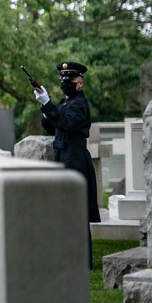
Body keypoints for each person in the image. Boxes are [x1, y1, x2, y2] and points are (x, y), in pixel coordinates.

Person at [34, 61, 101, 267]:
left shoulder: (79, 104)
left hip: (74, 156)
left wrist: (48, 103)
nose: (65, 83)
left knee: (75, 208)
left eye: (69, 80)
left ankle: (82, 260)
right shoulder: (67, 103)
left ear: (79, 84)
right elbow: (51, 127)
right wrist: (45, 107)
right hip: (63, 154)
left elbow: (64, 123)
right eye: (63, 80)